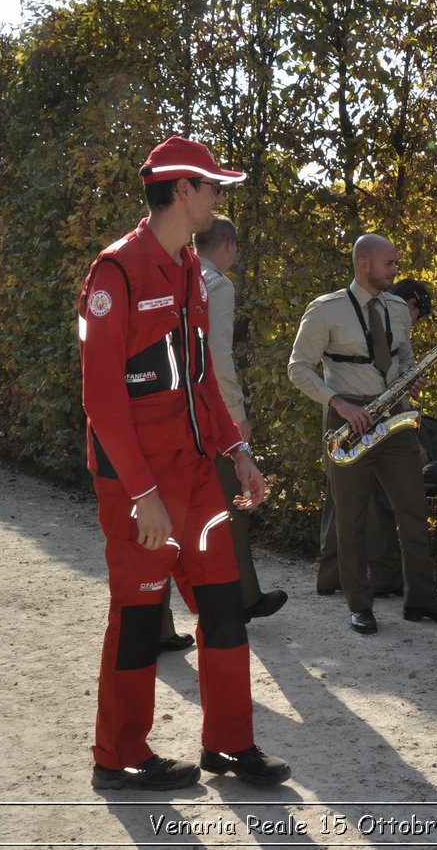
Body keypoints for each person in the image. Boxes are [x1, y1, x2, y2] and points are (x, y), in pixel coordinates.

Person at [77, 135, 289, 791]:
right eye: (213, 187)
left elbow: (200, 383)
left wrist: (239, 453)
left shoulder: (193, 271)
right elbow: (101, 397)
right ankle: (119, 754)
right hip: (139, 483)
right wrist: (142, 493)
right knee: (140, 617)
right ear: (181, 191)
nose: (220, 198)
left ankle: (228, 745)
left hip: (198, 478)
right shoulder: (113, 273)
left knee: (226, 609)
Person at [288, 235, 437, 635]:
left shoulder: (399, 309)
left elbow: (403, 356)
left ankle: (421, 600)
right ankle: (359, 605)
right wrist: (339, 404)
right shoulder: (325, 309)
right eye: (390, 263)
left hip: (394, 418)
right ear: (364, 263)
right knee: (351, 518)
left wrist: (408, 377)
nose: (396, 269)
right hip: (348, 419)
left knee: (414, 511)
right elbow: (298, 368)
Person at [316, 277, 435, 597]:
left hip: (354, 418)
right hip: (360, 417)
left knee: (340, 503)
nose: (414, 324)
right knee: (371, 505)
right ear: (411, 305)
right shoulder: (370, 315)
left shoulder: (380, 316)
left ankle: (332, 577)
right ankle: (380, 581)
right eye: (417, 317)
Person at [193, 216, 287, 622]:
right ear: (228, 245)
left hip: (173, 411)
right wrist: (236, 417)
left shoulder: (177, 271)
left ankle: (154, 621)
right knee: (232, 505)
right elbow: (217, 357)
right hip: (209, 414)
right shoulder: (218, 284)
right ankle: (243, 597)